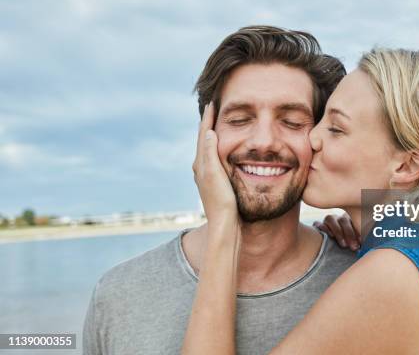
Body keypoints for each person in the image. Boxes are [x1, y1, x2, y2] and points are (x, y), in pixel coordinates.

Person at [183, 46, 419, 354]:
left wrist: (223, 228)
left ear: (407, 165)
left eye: (336, 128)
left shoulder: (391, 277)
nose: (312, 139)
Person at [82, 26, 356, 355]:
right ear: (206, 134)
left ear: (319, 140)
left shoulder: (363, 275)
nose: (264, 142)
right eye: (240, 119)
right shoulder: (118, 296)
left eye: (293, 122)